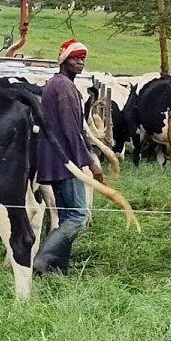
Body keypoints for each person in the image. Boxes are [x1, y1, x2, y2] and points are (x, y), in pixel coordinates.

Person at [33, 38, 105, 274]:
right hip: (65, 162)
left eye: (83, 58)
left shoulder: (56, 84)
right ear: (64, 59)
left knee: (66, 216)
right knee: (77, 216)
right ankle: (43, 258)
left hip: (54, 160)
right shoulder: (64, 86)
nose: (80, 62)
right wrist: (91, 162)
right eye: (76, 58)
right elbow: (71, 128)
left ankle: (58, 267)